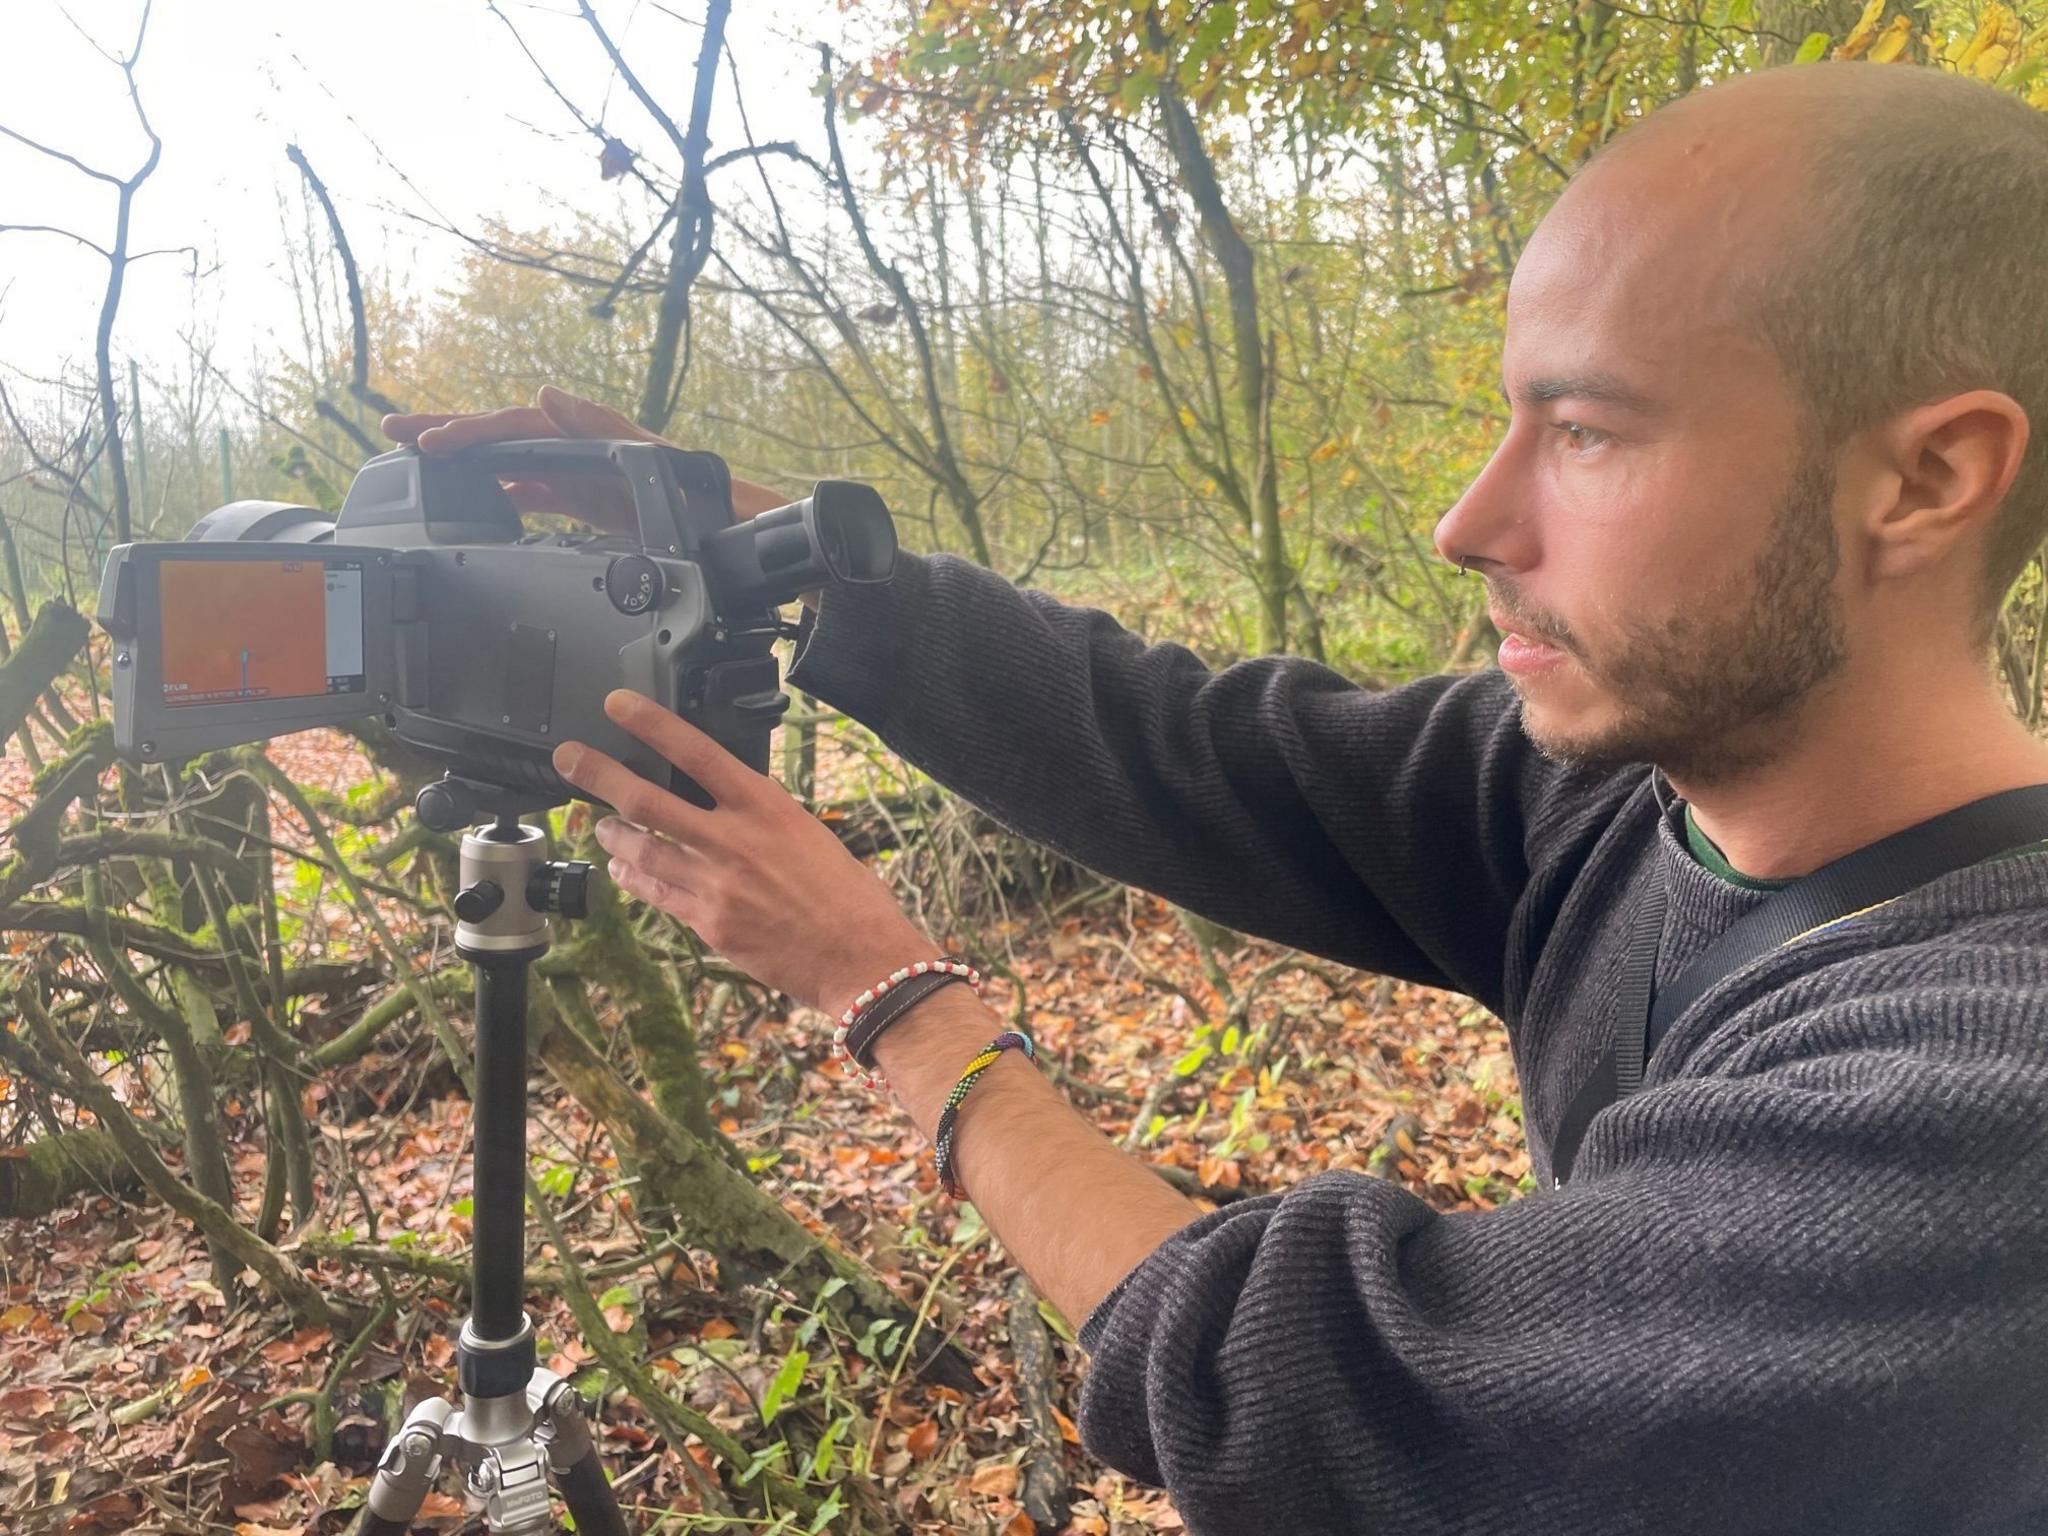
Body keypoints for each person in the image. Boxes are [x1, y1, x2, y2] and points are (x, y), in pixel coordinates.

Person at [384, 60, 2048, 1536]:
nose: (1471, 524)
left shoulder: (1980, 1089)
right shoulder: (1630, 802)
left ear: (1927, 477)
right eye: (1503, 418)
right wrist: (789, 552)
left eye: (1590, 432)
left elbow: (1321, 1398)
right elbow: (1196, 748)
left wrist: (891, 1001)